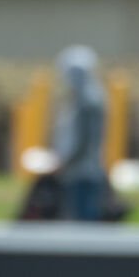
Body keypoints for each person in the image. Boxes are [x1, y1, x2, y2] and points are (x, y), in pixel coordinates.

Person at [48, 44, 111, 220]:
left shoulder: (90, 101)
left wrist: (65, 162)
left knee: (83, 222)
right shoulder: (80, 100)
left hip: (85, 174)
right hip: (75, 173)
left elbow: (84, 140)